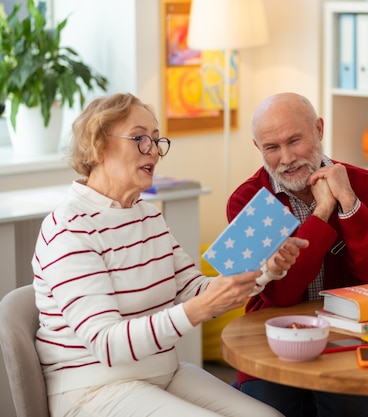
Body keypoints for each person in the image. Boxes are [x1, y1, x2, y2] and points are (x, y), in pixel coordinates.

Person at [32, 93, 308, 417]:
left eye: (156, 140)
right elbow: (108, 344)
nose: (153, 151)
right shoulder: (69, 228)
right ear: (98, 144)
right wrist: (196, 310)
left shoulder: (147, 214)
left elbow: (195, 290)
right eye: (140, 139)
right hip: (92, 389)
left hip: (162, 374)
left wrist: (265, 270)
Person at [226, 92, 368, 417]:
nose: (286, 158)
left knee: (349, 404)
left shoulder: (366, 186)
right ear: (258, 148)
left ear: (319, 130)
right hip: (272, 339)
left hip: (350, 335)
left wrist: (349, 205)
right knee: (267, 409)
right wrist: (322, 211)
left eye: (295, 140)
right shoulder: (247, 202)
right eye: (271, 147)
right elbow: (279, 295)